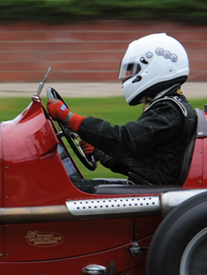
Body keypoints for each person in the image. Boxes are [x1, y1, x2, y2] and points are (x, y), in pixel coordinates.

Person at [46, 32, 197, 186]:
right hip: (150, 186)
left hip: (153, 191)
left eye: (134, 69)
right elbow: (145, 163)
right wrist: (101, 153)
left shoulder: (170, 110)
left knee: (63, 189)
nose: (129, 76)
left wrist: (71, 120)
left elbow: (125, 140)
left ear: (156, 67)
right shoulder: (171, 106)